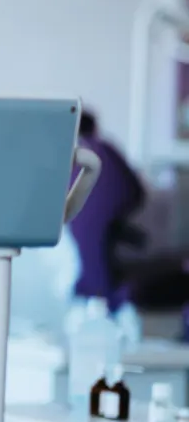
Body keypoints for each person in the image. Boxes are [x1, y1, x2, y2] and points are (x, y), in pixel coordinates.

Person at [67, 110, 146, 312]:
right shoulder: (105, 150)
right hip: (106, 228)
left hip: (79, 233)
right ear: (94, 127)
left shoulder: (69, 155)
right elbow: (135, 191)